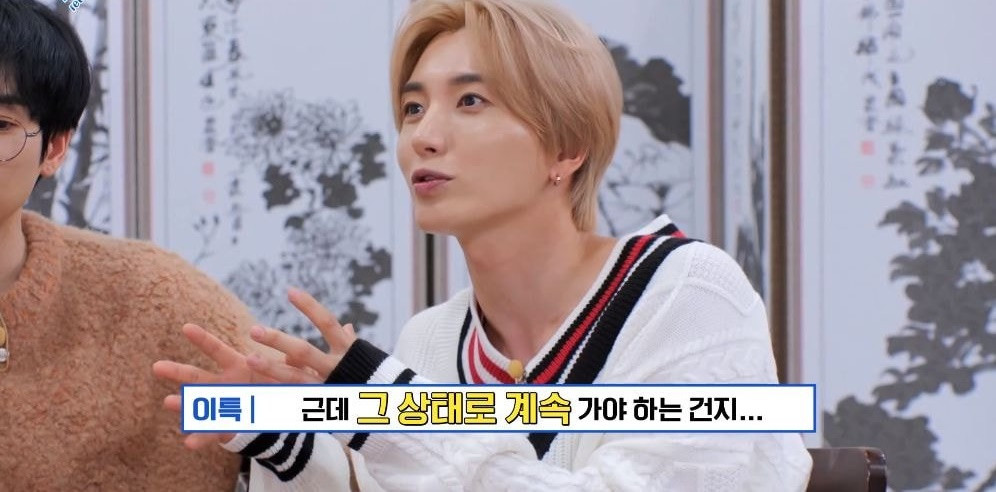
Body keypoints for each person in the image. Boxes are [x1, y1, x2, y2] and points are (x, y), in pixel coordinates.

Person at [155, 0, 813, 490]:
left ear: (566, 147)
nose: (423, 136)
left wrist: (388, 411)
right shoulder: (432, 341)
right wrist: (282, 434)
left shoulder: (687, 295)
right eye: (413, 109)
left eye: (470, 101)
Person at [0, 0, 259, 489]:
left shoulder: (158, 301)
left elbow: (364, 436)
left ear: (54, 147)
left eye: (0, 125)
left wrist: (280, 417)